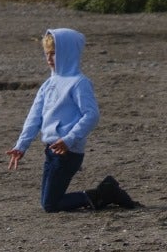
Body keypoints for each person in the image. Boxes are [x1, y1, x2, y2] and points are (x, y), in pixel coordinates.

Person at [7, 28, 137, 212]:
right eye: (47, 54)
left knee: (50, 204)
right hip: (52, 150)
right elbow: (34, 116)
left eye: (54, 54)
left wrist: (69, 139)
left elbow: (91, 115)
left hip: (68, 152)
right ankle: (103, 193)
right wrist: (21, 146)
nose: (49, 59)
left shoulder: (79, 82)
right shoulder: (49, 84)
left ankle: (105, 194)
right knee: (49, 200)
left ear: (67, 53)